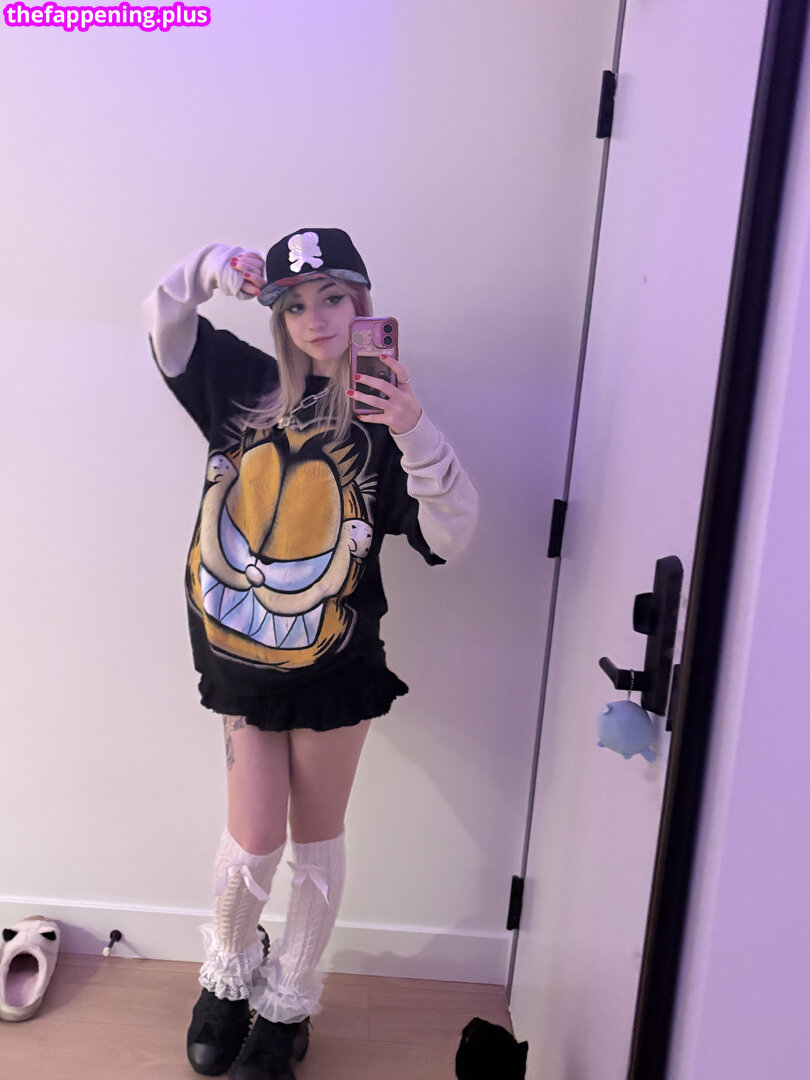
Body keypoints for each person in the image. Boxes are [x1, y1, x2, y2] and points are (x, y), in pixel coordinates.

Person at [145, 228, 478, 1079]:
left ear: (363, 305)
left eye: (333, 298)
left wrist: (416, 428)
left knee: (314, 839)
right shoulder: (244, 387)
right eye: (294, 305)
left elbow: (453, 534)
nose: (316, 319)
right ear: (277, 318)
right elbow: (165, 323)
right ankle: (228, 974)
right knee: (252, 839)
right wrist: (211, 268)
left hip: (332, 667)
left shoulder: (383, 420)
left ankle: (286, 1005)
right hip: (237, 661)